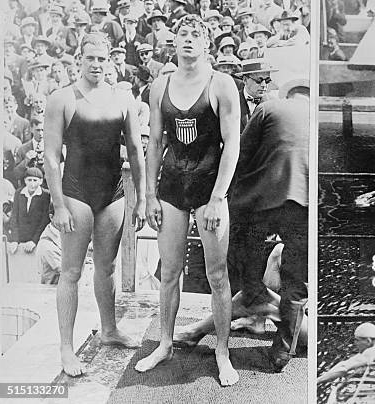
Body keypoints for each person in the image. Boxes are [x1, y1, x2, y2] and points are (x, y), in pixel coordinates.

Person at [135, 15, 240, 388]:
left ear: (207, 43)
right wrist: (149, 195)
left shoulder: (222, 84)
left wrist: (217, 198)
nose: (189, 40)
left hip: (210, 189)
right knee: (169, 273)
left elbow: (232, 146)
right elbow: (154, 145)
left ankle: (223, 353)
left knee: (217, 275)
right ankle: (165, 342)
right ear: (174, 43)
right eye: (183, 34)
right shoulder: (160, 85)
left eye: (197, 34)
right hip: (173, 189)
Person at [173, 87, 310, 373]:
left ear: (290, 94)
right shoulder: (316, 118)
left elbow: (240, 154)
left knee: (240, 254)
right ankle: (281, 354)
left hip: (262, 199)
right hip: (305, 203)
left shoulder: (271, 107)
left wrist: (223, 195)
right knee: (296, 285)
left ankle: (253, 294)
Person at [44, 32, 147, 377]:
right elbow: (50, 156)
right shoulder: (62, 98)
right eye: (90, 58)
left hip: (113, 193)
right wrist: (58, 204)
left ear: (110, 61)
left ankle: (109, 329)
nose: (97, 64)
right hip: (76, 194)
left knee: (107, 268)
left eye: (102, 58)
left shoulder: (123, 98)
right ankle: (65, 348)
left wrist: (142, 199)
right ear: (80, 59)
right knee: (71, 271)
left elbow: (135, 151)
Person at [7, 167, 51, 255]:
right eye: (29, 180)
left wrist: (34, 241)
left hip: (37, 240)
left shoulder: (46, 195)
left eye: (35, 180)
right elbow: (14, 216)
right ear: (25, 180)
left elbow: (45, 221)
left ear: (41, 181)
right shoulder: (19, 193)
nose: (32, 183)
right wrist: (15, 240)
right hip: (21, 240)